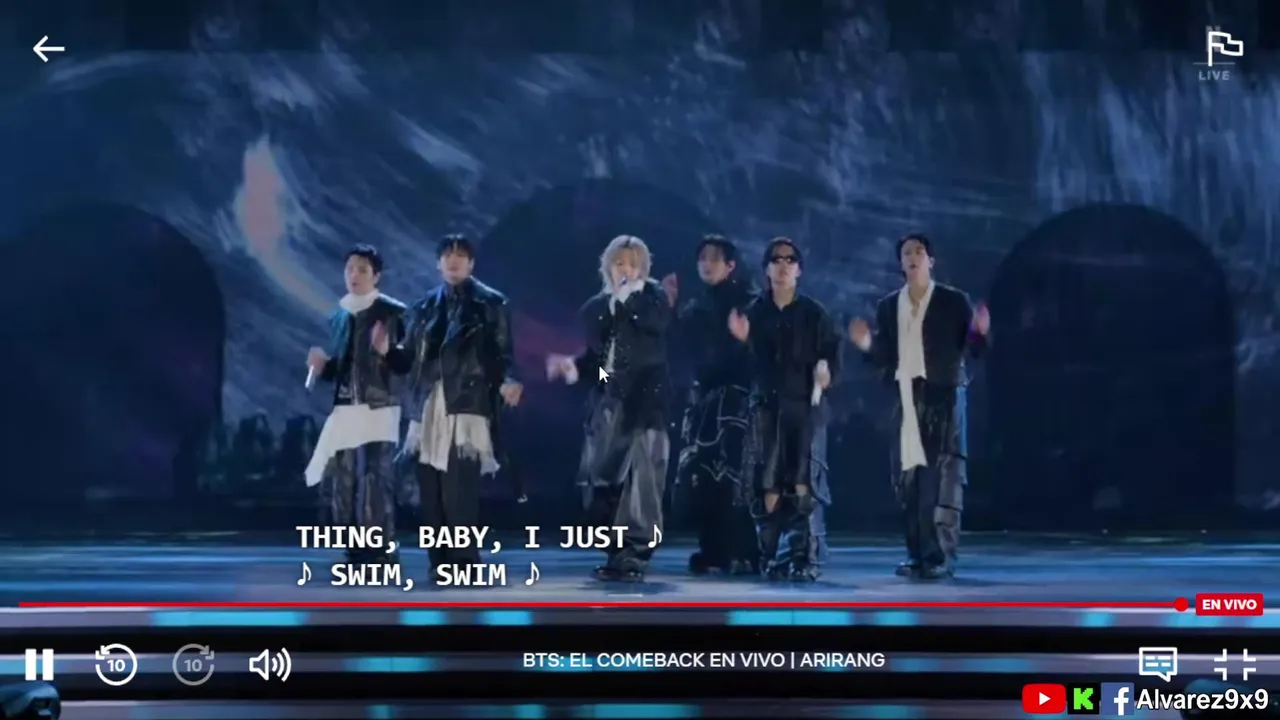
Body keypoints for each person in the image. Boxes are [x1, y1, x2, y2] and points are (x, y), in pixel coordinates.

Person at [373, 235, 522, 572]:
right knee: (431, 491)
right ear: (438, 263)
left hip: (466, 404)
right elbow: (408, 360)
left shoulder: (491, 304)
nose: (454, 261)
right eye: (447, 255)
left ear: (471, 264)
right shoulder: (424, 307)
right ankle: (439, 561)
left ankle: (464, 562)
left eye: (461, 256)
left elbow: (503, 354)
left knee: (459, 489)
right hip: (427, 407)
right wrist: (387, 352)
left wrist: (508, 381)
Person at [848, 233, 990, 580]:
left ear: (931, 261)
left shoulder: (953, 300)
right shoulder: (888, 306)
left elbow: (972, 348)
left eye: (919, 251)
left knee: (944, 480)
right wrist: (867, 344)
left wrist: (979, 332)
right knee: (909, 482)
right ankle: (916, 553)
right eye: (907, 253)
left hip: (945, 395)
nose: (912, 257)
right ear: (901, 262)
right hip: (907, 397)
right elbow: (884, 356)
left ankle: (941, 556)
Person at [547, 235, 672, 582]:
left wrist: (626, 300)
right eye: (619, 263)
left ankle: (635, 554)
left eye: (633, 264)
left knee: (641, 482)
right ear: (608, 266)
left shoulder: (654, 300)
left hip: (646, 404)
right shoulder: (596, 308)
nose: (626, 270)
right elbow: (600, 364)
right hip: (609, 402)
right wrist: (574, 367)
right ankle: (617, 552)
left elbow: (656, 334)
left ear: (643, 268)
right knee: (602, 483)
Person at [728, 238, 840, 582]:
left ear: (799, 269)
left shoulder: (814, 313)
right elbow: (742, 367)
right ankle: (772, 556)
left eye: (790, 260)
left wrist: (826, 373)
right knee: (768, 484)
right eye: (776, 260)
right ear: (766, 268)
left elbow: (830, 356)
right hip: (766, 407)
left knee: (803, 481)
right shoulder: (754, 312)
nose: (783, 265)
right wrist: (743, 341)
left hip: (804, 407)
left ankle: (803, 556)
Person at [303, 245, 408, 563]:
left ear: (376, 276)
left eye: (362, 270)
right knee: (344, 478)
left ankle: (381, 547)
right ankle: (354, 547)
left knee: (374, 477)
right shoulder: (340, 315)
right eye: (350, 269)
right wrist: (324, 367)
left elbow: (406, 363)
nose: (354, 275)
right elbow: (344, 365)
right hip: (346, 405)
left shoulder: (391, 312)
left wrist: (388, 351)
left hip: (378, 404)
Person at [673, 235, 759, 576]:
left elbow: (765, 352)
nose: (706, 264)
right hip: (706, 403)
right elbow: (681, 350)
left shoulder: (750, 303)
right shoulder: (696, 307)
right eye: (702, 258)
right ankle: (712, 550)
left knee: (737, 475)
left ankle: (746, 550)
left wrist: (746, 340)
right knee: (705, 475)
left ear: (730, 265)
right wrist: (670, 310)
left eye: (714, 258)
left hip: (739, 401)